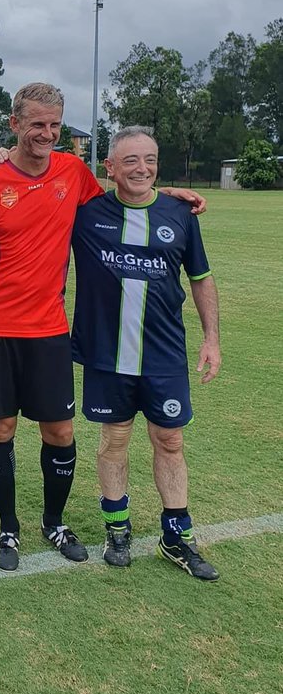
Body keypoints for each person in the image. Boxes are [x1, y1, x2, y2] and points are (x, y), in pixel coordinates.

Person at [0, 83, 205, 572]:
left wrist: (171, 197)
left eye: (55, 125)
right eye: (37, 124)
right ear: (14, 124)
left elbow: (124, 198)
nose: (48, 134)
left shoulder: (73, 172)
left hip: (52, 328)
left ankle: (53, 522)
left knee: (59, 431)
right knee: (1, 427)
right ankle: (7, 529)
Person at [71, 126, 221, 579]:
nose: (142, 168)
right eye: (130, 160)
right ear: (109, 167)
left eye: (150, 159)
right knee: (114, 440)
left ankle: (176, 536)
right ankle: (117, 528)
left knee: (170, 440)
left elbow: (200, 277)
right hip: (105, 353)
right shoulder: (85, 213)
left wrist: (212, 338)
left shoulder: (180, 214)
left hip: (163, 355)